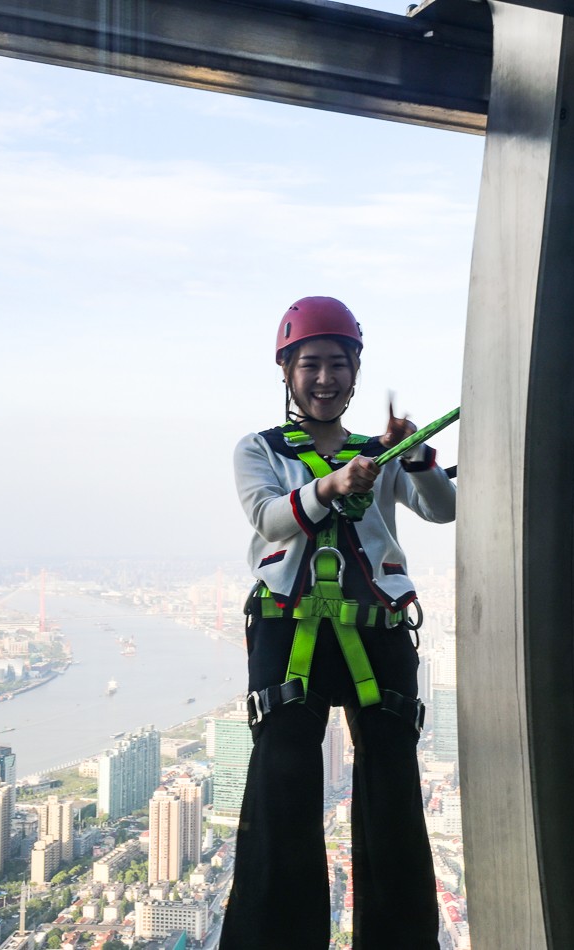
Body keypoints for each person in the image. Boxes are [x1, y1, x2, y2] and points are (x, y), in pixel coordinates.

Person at [220, 296, 455, 950]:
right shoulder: (259, 450)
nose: (325, 379)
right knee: (280, 794)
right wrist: (329, 486)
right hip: (288, 630)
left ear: (355, 372)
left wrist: (415, 457)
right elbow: (268, 518)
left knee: (391, 794)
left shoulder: (383, 455)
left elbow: (443, 509)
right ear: (288, 374)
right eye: (310, 366)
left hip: (376, 629)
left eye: (337, 365)